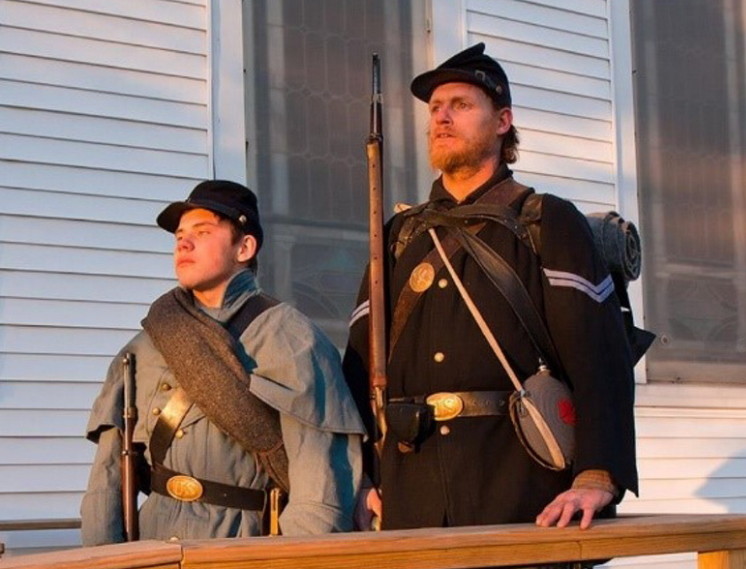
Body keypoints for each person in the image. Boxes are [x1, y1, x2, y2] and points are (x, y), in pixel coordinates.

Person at [344, 43, 638, 559]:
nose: (441, 116)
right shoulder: (396, 235)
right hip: (412, 495)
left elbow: (599, 357)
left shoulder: (546, 220)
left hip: (521, 488)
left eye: (460, 104)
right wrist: (361, 475)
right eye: (435, 108)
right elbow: (358, 365)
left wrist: (597, 475)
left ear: (503, 121)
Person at [81, 180, 365, 544]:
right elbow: (106, 482)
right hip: (153, 547)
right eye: (179, 235)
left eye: (203, 232)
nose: (183, 242)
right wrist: (102, 561)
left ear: (244, 247)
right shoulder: (145, 345)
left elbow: (320, 490)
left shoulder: (291, 338)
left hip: (243, 547)